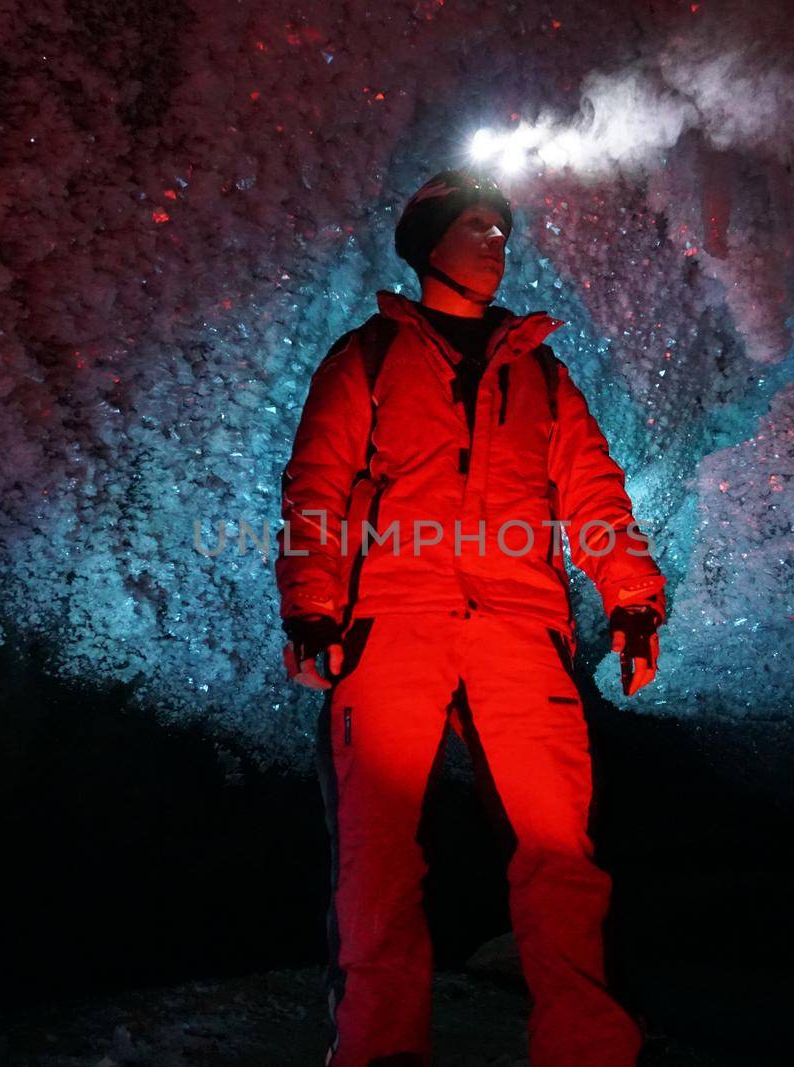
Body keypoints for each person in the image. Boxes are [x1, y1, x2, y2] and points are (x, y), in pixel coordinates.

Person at [275, 169, 667, 1066]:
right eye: (476, 228)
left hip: (520, 630)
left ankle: (587, 1051)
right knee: (375, 858)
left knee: (559, 852)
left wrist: (633, 600)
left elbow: (595, 497)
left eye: (500, 229)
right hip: (390, 623)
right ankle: (380, 1052)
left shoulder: (541, 373)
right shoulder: (367, 356)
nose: (495, 243)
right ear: (426, 247)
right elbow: (319, 488)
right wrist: (312, 608)